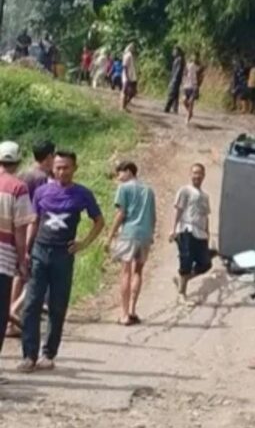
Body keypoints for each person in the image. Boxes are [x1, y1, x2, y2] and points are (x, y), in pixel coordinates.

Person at [18, 151, 105, 373]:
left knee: (57, 305)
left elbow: (99, 220)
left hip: (63, 255)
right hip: (40, 251)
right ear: (52, 169)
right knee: (31, 304)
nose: (61, 171)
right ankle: (29, 355)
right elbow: (34, 221)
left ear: (74, 168)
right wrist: (26, 250)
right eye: (57, 167)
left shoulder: (82, 194)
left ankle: (48, 354)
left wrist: (84, 243)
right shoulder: (41, 192)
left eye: (66, 167)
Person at [7, 140, 56, 338]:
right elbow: (40, 211)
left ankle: (11, 314)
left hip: (15, 228)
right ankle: (12, 314)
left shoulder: (23, 174)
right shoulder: (42, 178)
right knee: (31, 275)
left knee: (20, 274)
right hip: (32, 232)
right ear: (48, 157)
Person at [0, 142, 36, 382]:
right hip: (3, 259)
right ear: (18, 162)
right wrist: (23, 259)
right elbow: (21, 229)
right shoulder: (18, 188)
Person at [105, 161, 156, 326]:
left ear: (128, 171)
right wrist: (151, 234)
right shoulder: (149, 190)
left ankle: (124, 314)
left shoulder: (124, 188)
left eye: (120, 172)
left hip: (129, 233)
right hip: (145, 234)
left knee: (125, 271)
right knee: (138, 271)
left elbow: (121, 213)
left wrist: (110, 235)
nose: (119, 177)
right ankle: (133, 310)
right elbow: (153, 216)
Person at [170, 163, 211, 305]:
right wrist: (173, 229)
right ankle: (182, 294)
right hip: (187, 229)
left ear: (204, 176)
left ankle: (182, 279)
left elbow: (206, 217)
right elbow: (178, 210)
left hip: (201, 233)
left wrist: (208, 234)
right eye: (194, 173)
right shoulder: (185, 191)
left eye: (199, 173)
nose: (197, 176)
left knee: (205, 264)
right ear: (190, 174)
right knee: (186, 261)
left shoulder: (205, 196)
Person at [182, 54, 203, 125]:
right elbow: (184, 76)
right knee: (184, 101)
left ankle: (187, 118)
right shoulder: (186, 66)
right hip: (186, 86)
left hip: (194, 86)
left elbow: (201, 74)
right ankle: (190, 112)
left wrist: (199, 84)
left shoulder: (196, 66)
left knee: (191, 101)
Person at [164, 47, 185, 114]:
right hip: (175, 79)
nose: (173, 52)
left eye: (174, 51)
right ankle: (175, 109)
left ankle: (167, 108)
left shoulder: (180, 59)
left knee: (172, 93)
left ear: (178, 51)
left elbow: (178, 71)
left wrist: (174, 80)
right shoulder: (177, 59)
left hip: (176, 79)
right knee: (175, 94)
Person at [121, 44, 138, 111]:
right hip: (128, 76)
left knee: (133, 92)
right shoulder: (128, 55)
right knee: (125, 91)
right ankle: (123, 107)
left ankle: (125, 105)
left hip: (133, 76)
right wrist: (127, 76)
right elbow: (125, 66)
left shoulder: (132, 56)